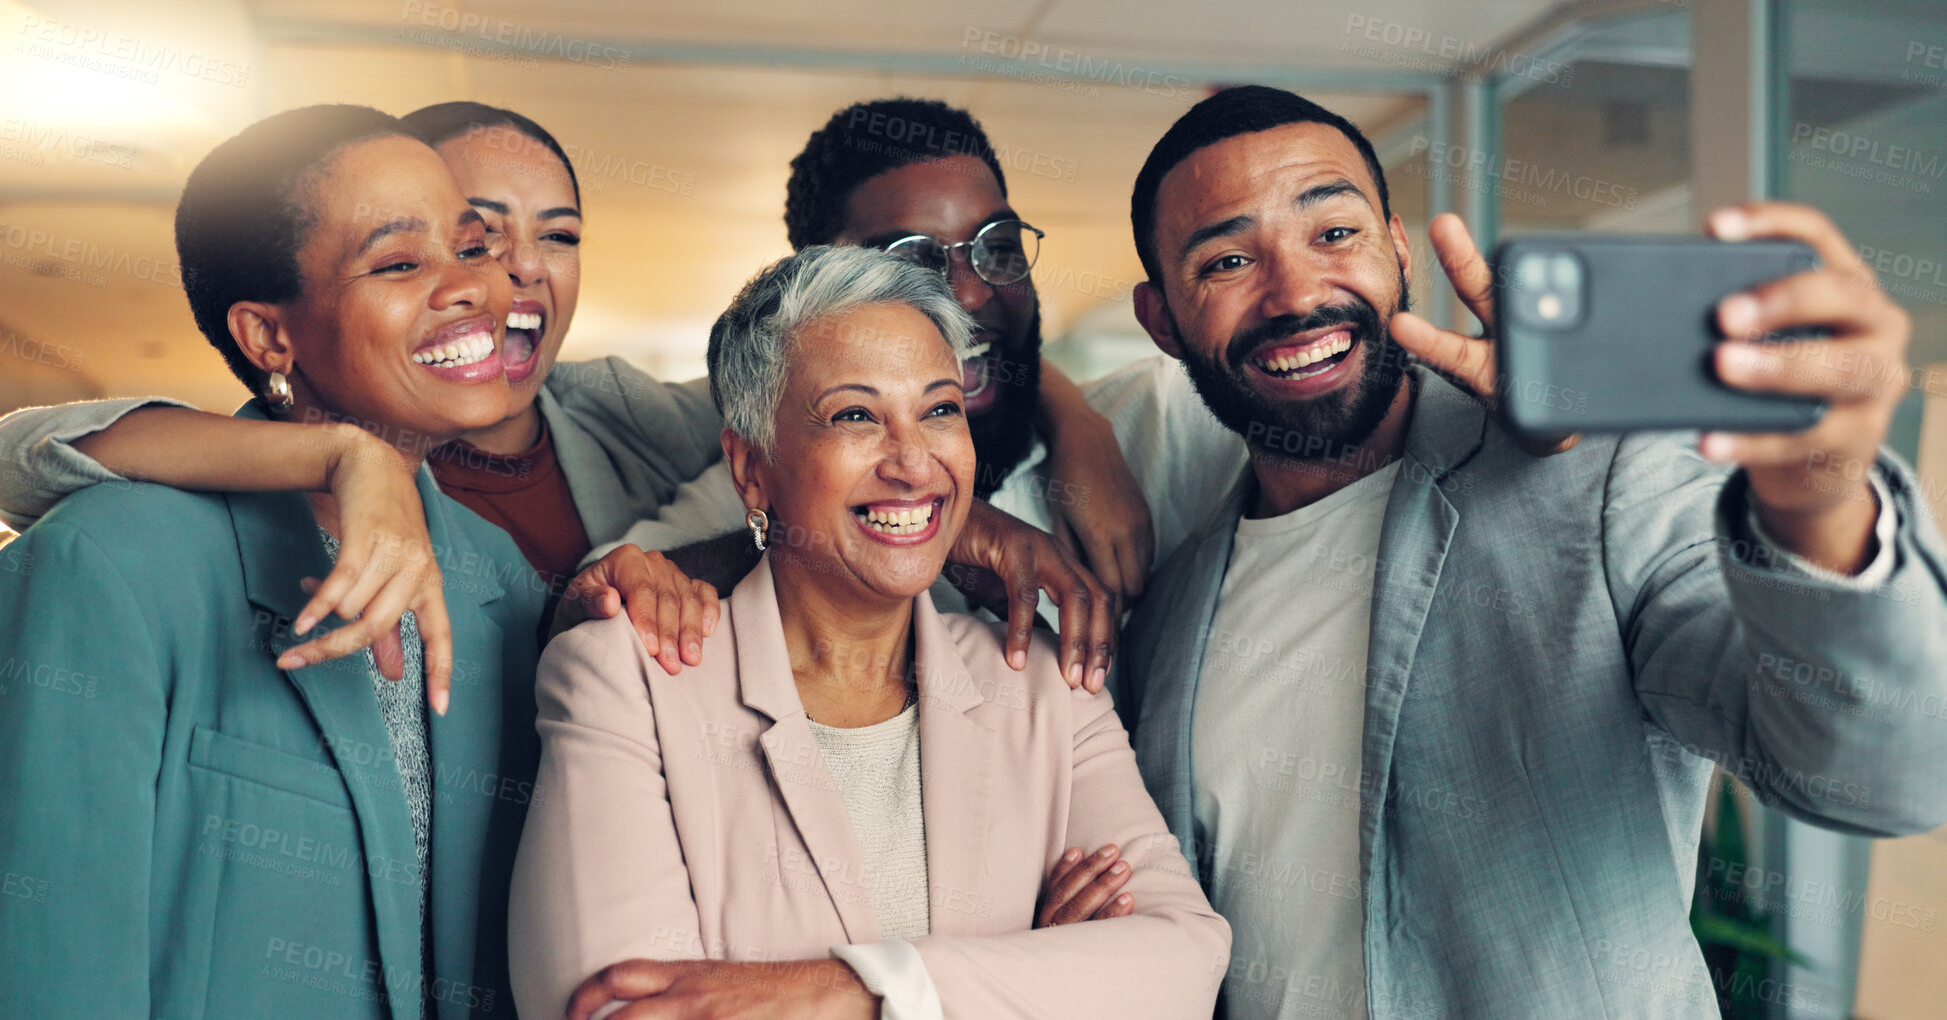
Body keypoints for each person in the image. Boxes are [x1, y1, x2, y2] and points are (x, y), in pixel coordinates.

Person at [1113, 84, 1947, 1017]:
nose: (1298, 292)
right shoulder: (1167, 606)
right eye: (1227, 259)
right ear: (1161, 322)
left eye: (1334, 234)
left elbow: (1882, 775)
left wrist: (1818, 496)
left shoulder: (1590, 482)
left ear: (1396, 249)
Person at [0, 100, 1127, 694]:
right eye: (470, 235)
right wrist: (345, 460)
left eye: (559, 236)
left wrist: (1076, 430)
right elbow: (23, 451)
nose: (506, 274)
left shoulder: (635, 416)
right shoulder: (176, 528)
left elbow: (859, 401)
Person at [507, 245, 1229, 1020]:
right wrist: (1036, 978)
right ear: (751, 470)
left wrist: (854, 989)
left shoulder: (1043, 685)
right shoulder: (625, 678)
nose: (914, 461)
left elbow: (1184, 959)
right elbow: (615, 1009)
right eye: (855, 415)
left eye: (939, 409)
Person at [0, 105, 544, 1018]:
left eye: (472, 246)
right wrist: (341, 453)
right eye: (401, 262)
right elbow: (50, 964)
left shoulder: (505, 583)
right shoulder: (110, 565)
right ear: (267, 338)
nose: (471, 287)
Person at [597, 97, 1247, 688]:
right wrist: (892, 534)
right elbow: (587, 603)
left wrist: (1078, 422)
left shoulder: (1148, 426)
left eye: (996, 245)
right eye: (911, 258)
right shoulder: (779, 471)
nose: (968, 293)